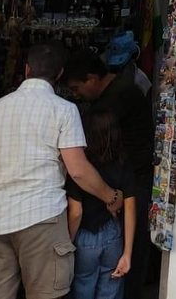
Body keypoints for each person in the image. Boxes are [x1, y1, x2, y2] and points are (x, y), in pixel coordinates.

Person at [0, 42, 125, 299]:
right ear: (59, 74)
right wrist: (111, 197)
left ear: (26, 70)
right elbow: (78, 170)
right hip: (42, 218)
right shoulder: (64, 110)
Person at [66, 52, 156, 298]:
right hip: (129, 181)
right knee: (116, 269)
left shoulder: (115, 100)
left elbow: (76, 210)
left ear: (92, 79)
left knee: (125, 256)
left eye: (76, 88)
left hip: (134, 180)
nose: (75, 95)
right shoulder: (121, 89)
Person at [67, 109, 137, 299]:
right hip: (113, 234)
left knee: (82, 286)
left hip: (85, 236)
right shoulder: (123, 161)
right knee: (111, 289)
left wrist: (67, 244)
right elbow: (130, 208)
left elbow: (75, 212)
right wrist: (127, 254)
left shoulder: (80, 166)